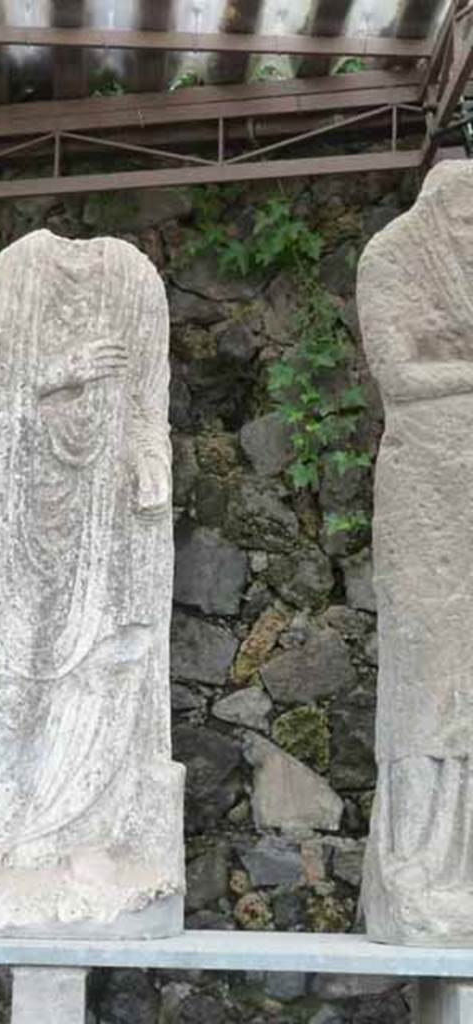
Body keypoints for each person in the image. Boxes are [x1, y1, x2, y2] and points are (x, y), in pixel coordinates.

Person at [0, 229, 184, 937]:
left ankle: (87, 841)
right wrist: (62, 370)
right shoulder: (7, 277)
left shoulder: (138, 282)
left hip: (105, 521)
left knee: (103, 671)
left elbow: (149, 406)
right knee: (15, 678)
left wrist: (151, 463)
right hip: (22, 510)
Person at [360, 160, 473, 944]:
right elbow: (397, 374)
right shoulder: (391, 257)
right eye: (462, 221)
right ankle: (418, 864)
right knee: (428, 673)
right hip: (424, 495)